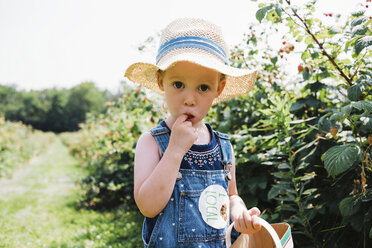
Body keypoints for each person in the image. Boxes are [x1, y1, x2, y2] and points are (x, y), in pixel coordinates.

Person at [125, 17, 261, 247]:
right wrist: (175, 149)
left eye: (203, 87)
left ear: (219, 89)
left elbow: (232, 195)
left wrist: (239, 213)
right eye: (178, 85)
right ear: (161, 82)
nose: (189, 99)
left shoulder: (223, 146)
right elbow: (147, 206)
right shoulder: (152, 142)